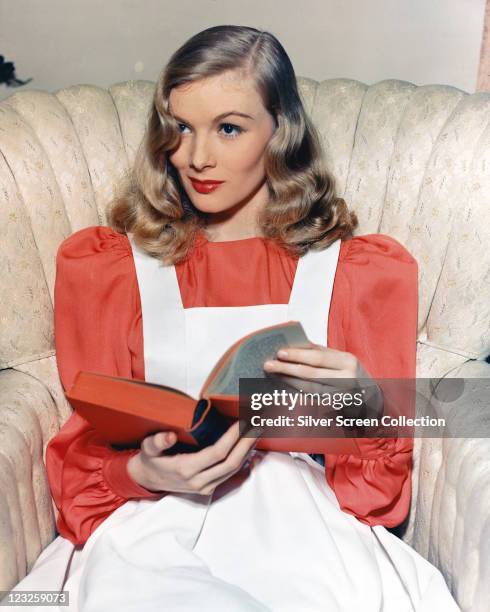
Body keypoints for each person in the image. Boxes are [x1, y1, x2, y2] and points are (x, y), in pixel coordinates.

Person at [44, 25, 460, 612]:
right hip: (153, 526)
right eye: (180, 128)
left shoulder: (357, 273)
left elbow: (378, 491)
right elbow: (81, 461)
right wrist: (140, 472)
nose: (196, 157)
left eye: (229, 129)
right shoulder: (112, 270)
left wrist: (365, 404)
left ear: (281, 133)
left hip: (305, 530)